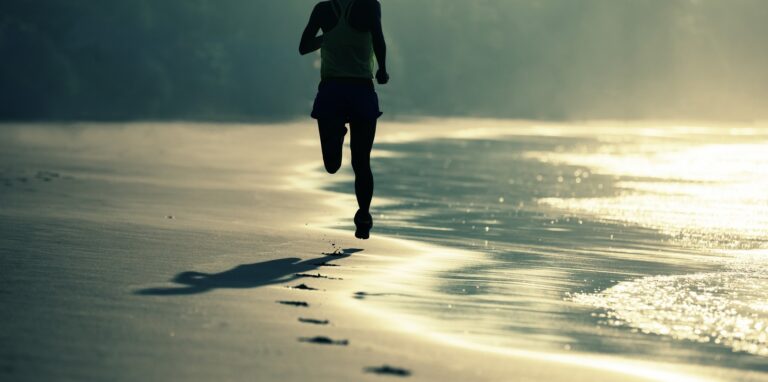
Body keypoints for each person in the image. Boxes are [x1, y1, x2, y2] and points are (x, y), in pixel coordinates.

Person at [299, 0, 389, 239]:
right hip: (355, 92)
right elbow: (378, 38)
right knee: (354, 163)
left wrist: (326, 38)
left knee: (351, 163)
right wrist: (382, 69)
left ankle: (363, 215)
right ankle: (365, 213)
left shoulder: (326, 10)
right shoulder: (366, 7)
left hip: (339, 91)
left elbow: (304, 46)